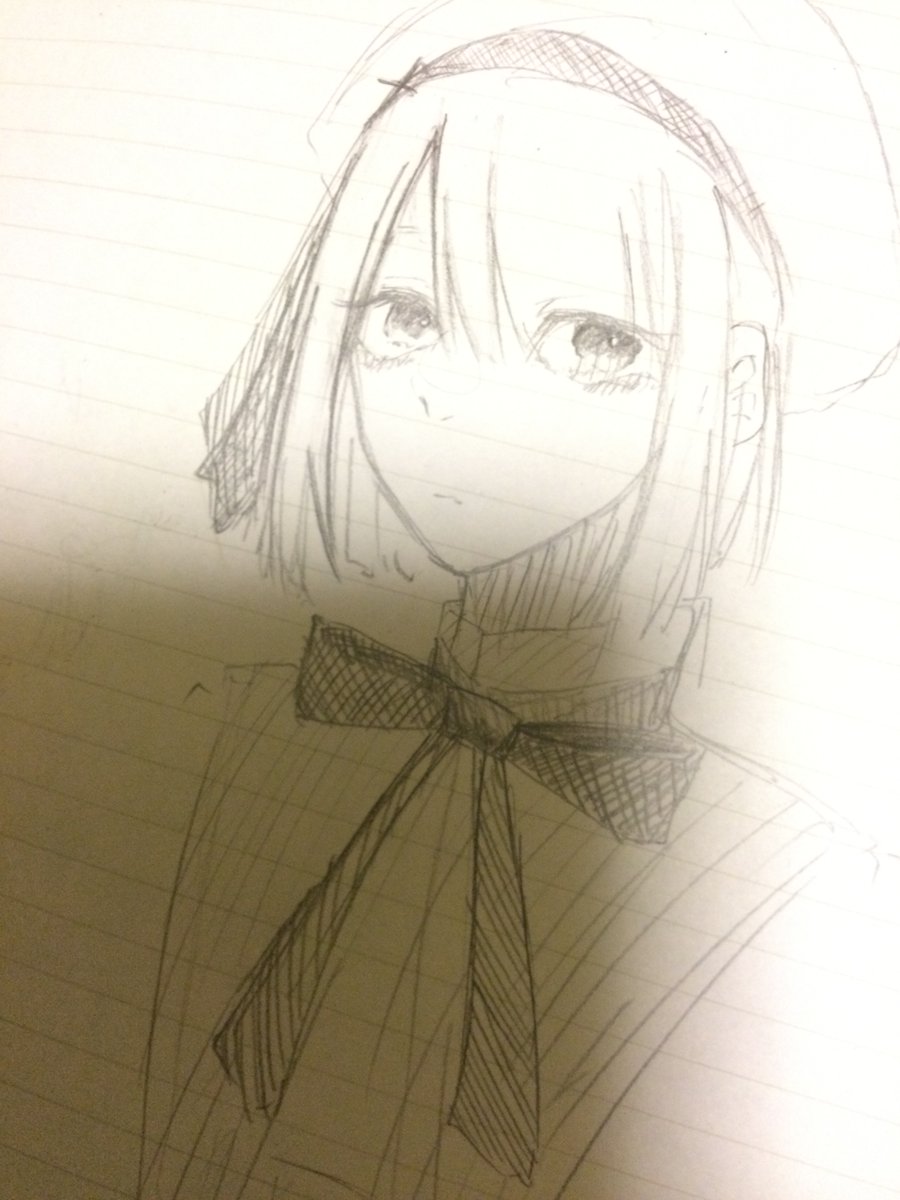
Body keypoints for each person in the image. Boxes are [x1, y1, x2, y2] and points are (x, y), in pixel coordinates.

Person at [139, 6, 898, 1198]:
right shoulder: (219, 734)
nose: (465, 402)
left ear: (740, 394)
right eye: (406, 319)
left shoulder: (808, 881)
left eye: (597, 342)